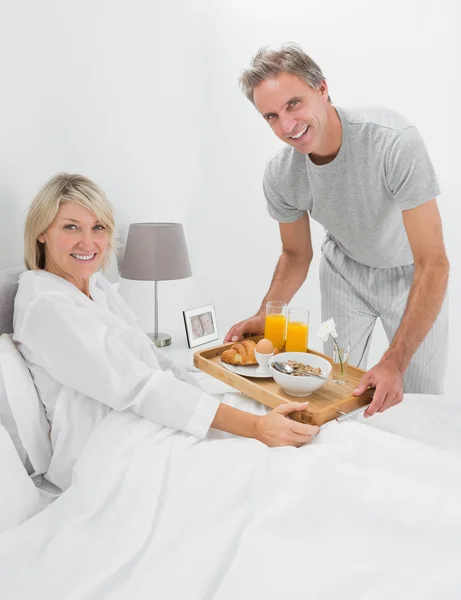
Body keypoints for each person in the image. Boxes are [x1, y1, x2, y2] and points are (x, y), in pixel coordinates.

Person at [13, 173, 319, 491]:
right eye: (71, 227)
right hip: (102, 444)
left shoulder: (95, 286)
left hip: (138, 421)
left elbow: (153, 361)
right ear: (41, 232)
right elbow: (139, 386)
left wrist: (230, 400)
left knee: (302, 439)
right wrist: (256, 427)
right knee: (262, 473)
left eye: (98, 227)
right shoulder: (46, 304)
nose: (88, 243)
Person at [225, 44, 449, 418]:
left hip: (413, 271)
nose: (287, 125)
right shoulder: (281, 174)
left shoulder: (394, 142)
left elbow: (434, 261)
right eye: (271, 116)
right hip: (344, 268)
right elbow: (296, 254)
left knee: (419, 403)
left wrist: (393, 360)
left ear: (323, 89)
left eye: (294, 104)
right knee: (336, 385)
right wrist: (267, 312)